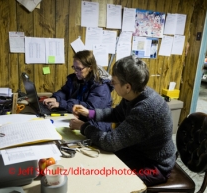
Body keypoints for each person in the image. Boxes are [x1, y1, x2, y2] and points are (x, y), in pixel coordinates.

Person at [70, 55, 176, 186]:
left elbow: (110, 142)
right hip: (139, 152)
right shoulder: (136, 94)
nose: (111, 84)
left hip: (155, 165)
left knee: (107, 182)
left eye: (114, 82)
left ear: (127, 87)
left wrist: (84, 127)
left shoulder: (145, 109)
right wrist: (89, 113)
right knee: (99, 163)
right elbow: (117, 113)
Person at [43, 50, 113, 132]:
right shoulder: (76, 79)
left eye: (79, 68)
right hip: (78, 120)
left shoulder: (101, 86)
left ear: (90, 68)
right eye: (74, 67)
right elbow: (64, 92)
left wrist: (61, 104)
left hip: (96, 128)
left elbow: (89, 108)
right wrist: (55, 98)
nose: (76, 72)